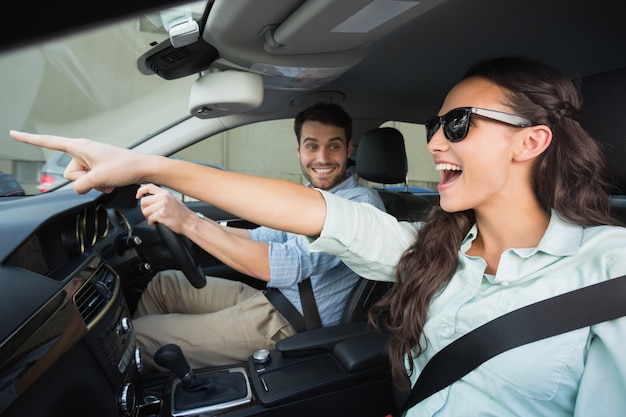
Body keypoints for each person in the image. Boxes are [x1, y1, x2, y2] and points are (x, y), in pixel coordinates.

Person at [11, 56, 626, 416]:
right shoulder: (437, 252)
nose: (435, 143)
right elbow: (321, 216)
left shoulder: (609, 277)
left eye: (458, 125)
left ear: (531, 140)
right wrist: (147, 165)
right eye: (436, 126)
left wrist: (184, 212)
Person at [130, 102, 386, 369]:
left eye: (333, 146)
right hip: (273, 299)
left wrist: (188, 223)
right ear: (299, 150)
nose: (322, 158)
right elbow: (262, 236)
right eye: (312, 146)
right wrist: (194, 219)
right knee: (164, 285)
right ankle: (153, 379)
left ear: (349, 148)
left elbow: (289, 266)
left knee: (136, 336)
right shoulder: (312, 195)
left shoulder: (359, 206)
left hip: (288, 322)